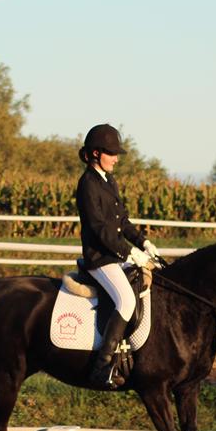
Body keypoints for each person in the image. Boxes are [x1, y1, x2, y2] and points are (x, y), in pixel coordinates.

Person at [75, 123, 160, 388]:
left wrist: (143, 242)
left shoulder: (108, 180)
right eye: (112, 153)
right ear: (96, 153)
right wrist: (129, 252)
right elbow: (100, 230)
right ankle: (102, 366)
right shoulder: (87, 184)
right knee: (125, 300)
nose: (116, 158)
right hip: (99, 258)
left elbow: (122, 221)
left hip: (115, 254)